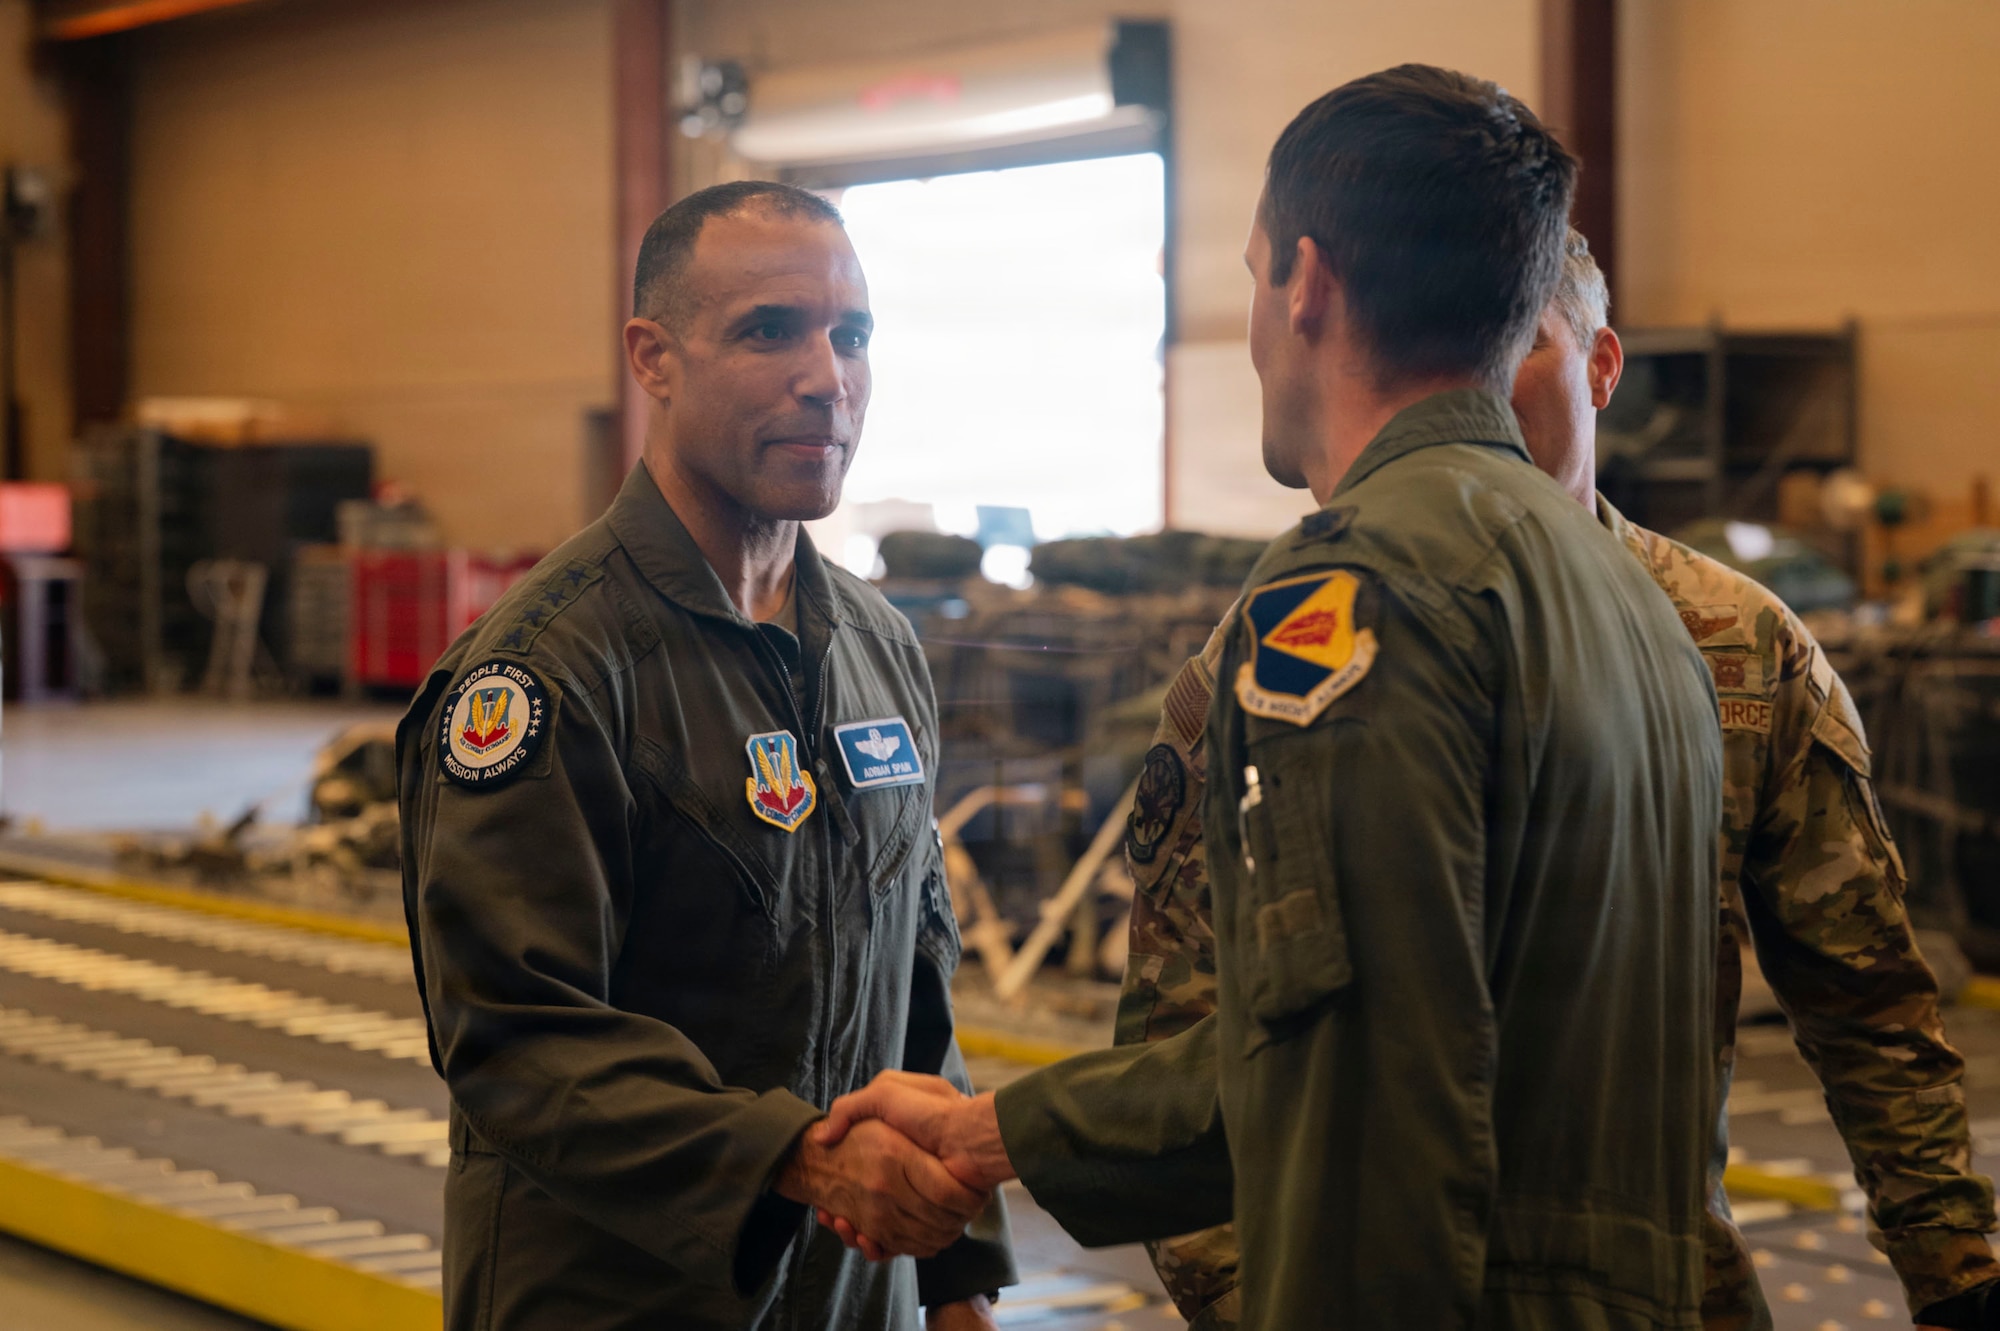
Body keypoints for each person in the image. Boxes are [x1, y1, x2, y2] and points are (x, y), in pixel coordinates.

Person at [814, 65, 1725, 1329]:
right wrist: (990, 1129)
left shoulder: (1364, 588)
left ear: (1305, 283)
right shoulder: (1635, 598)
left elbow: (1339, 1071)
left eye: (1249, 276)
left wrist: (985, 1134)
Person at [1109, 228, 2000, 1331]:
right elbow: (1183, 1032)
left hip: (1651, 1286)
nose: (1485, 389)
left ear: (1601, 367)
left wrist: (1953, 1272)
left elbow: (1864, 998)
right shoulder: (1292, 646)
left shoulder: (1735, 643)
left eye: (1519, 347)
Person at [395, 180, 1014, 1331]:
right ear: (654, 357)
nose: (826, 375)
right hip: (619, 1297)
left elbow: (913, 991)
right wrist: (797, 1159)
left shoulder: (876, 649)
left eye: (852, 335)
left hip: (847, 1296)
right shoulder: (547, 670)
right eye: (770, 330)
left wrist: (956, 1276)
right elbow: (514, 1038)